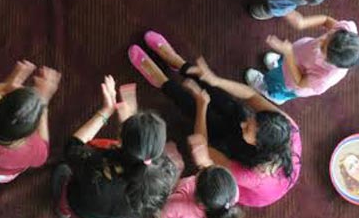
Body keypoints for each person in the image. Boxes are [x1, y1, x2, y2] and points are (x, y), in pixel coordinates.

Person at [129, 31, 301, 207]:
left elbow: (203, 146)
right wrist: (216, 81)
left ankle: (163, 82)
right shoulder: (286, 126)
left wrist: (202, 106)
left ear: (258, 144)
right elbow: (249, 95)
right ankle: (178, 62)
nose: (244, 123)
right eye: (252, 119)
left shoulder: (249, 174)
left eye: (248, 128)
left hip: (246, 178)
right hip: (260, 153)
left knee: (207, 119)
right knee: (229, 104)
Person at [52, 76, 178, 218]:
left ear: (120, 139)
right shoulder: (166, 174)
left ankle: (63, 211)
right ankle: (63, 211)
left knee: (63, 171)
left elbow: (72, 147)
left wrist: (106, 110)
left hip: (81, 211)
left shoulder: (95, 161)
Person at [155, 85, 244, 218]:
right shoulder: (231, 195)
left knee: (161, 212)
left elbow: (164, 211)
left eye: (204, 169)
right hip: (195, 209)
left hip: (173, 209)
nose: (206, 165)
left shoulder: (177, 204)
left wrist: (175, 175)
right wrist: (206, 162)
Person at [244, 14, 359, 104]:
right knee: (283, 65)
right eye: (328, 36)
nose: (321, 40)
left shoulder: (324, 77)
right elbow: (326, 20)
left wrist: (289, 53)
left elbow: (300, 82)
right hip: (299, 56)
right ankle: (281, 64)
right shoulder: (345, 32)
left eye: (322, 48)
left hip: (290, 81)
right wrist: (302, 22)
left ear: (331, 62)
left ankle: (268, 90)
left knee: (275, 83)